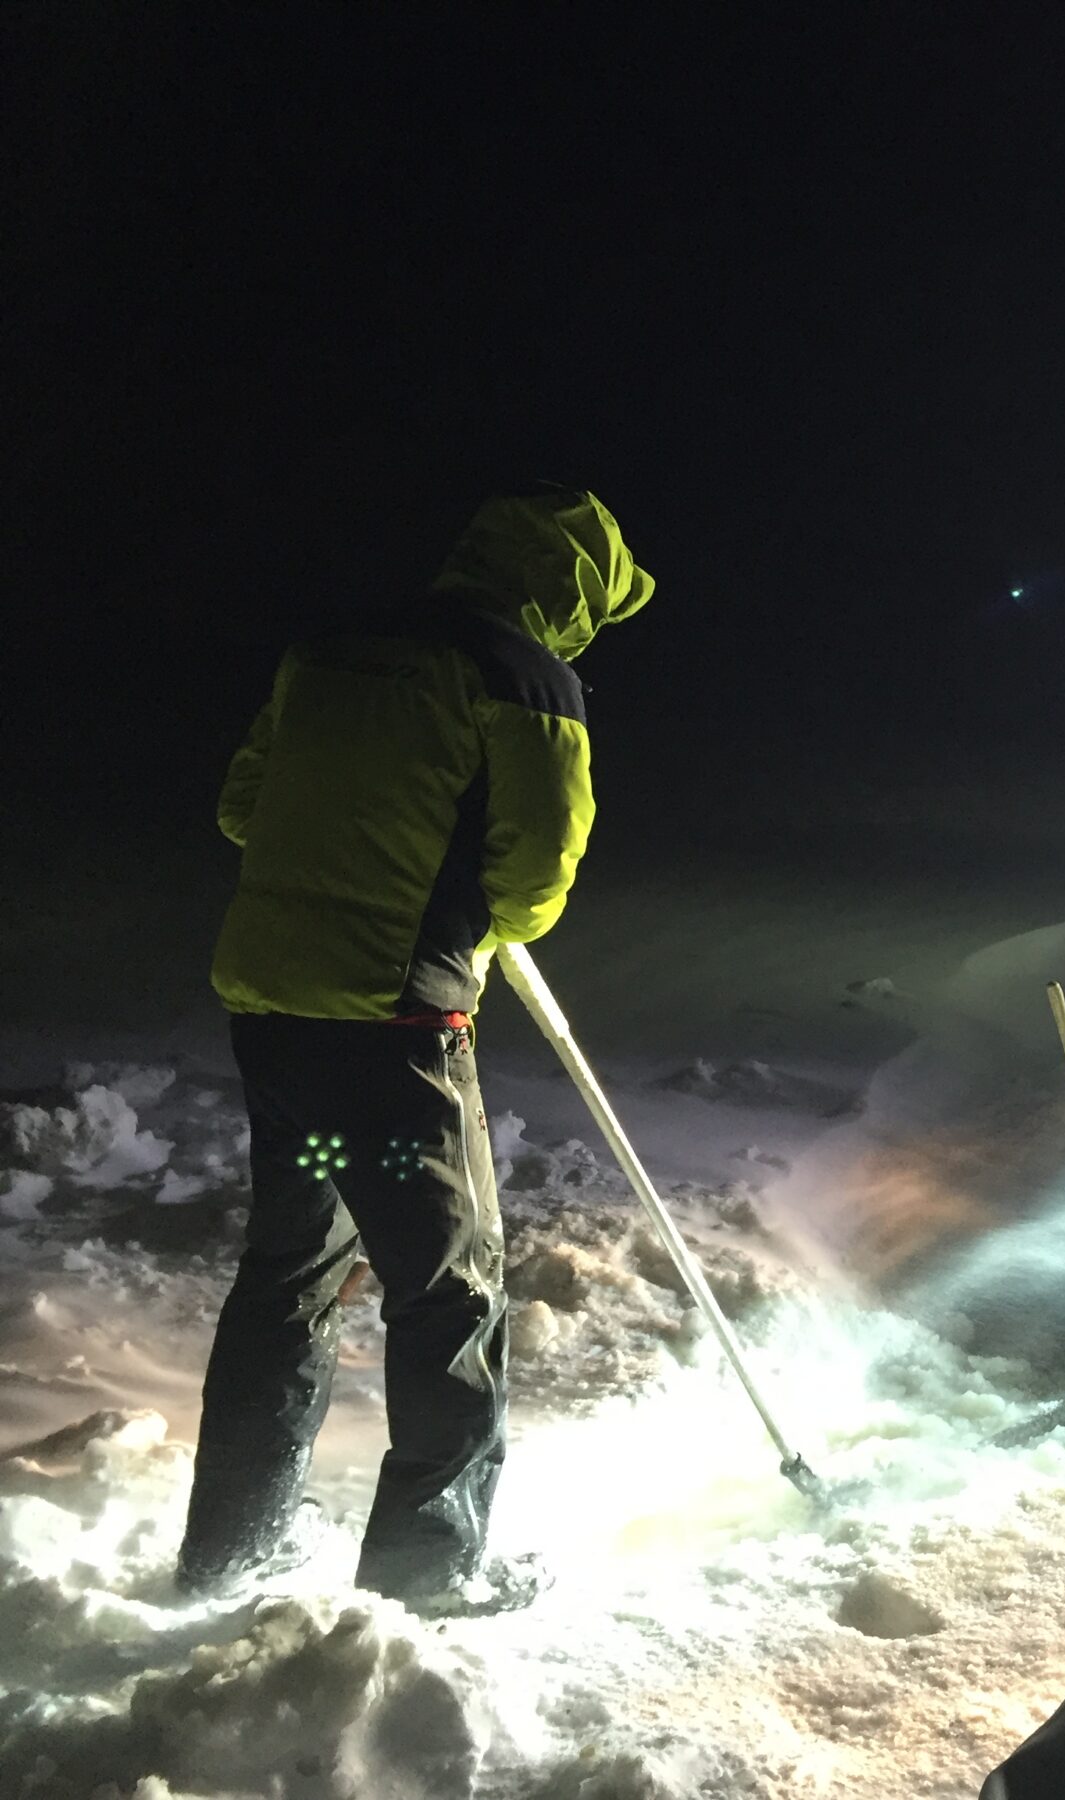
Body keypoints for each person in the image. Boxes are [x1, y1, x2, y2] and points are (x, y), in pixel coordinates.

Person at [178, 487, 653, 1614]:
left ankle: (227, 1555)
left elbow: (246, 804)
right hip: (393, 1034)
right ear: (574, 589)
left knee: (287, 1283)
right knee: (448, 1295)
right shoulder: (530, 684)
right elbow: (533, 888)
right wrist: (453, 911)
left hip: (274, 1013)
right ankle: (429, 1575)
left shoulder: (331, 649)